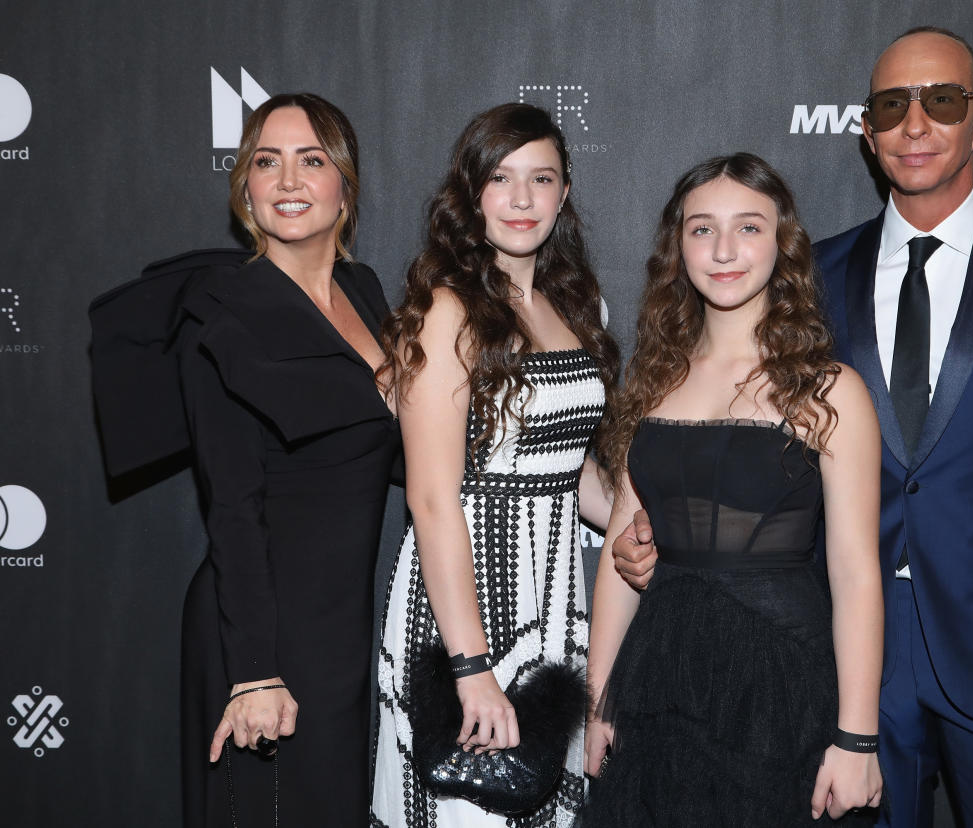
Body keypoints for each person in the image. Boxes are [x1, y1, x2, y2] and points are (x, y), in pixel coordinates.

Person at [612, 28, 973, 828]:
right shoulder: (811, 276)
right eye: (893, 105)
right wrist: (668, 522)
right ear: (867, 130)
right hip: (832, 668)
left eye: (943, 101)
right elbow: (748, 434)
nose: (917, 124)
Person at [89, 93, 398, 826]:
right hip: (260, 634)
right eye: (267, 162)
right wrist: (254, 672)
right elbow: (231, 503)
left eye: (311, 161)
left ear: (345, 189)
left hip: (344, 631)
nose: (289, 181)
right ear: (247, 194)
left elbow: (390, 450)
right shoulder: (220, 310)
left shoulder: (365, 292)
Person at [579, 153, 884, 826]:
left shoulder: (828, 390)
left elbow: (857, 573)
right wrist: (598, 702)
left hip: (780, 685)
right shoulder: (654, 379)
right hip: (661, 681)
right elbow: (621, 551)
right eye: (701, 229)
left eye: (748, 228)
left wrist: (857, 738)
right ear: (675, 245)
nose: (723, 250)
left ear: (784, 245)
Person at [371, 102, 619, 828]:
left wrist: (640, 527)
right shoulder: (448, 310)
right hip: (465, 601)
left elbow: (568, 467)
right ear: (470, 193)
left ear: (564, 192)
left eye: (540, 179)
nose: (520, 199)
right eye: (501, 178)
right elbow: (431, 497)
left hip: (554, 598)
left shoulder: (574, 305)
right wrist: (470, 667)